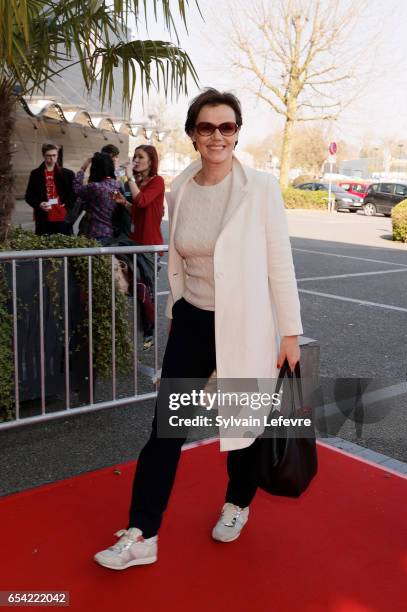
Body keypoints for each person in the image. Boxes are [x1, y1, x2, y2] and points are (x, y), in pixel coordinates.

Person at [94, 88, 303, 570]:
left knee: (242, 424)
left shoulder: (261, 188)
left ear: (236, 132)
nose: (217, 136)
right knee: (166, 430)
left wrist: (289, 332)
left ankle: (238, 503)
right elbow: (181, 261)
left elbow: (280, 264)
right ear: (192, 134)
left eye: (226, 127)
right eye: (206, 127)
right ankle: (143, 534)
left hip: (245, 323)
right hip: (193, 321)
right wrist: (177, 309)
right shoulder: (182, 186)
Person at [113, 145, 165, 349]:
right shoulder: (142, 183)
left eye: (140, 157)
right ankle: (143, 330)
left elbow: (142, 202)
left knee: (145, 291)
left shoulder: (157, 181)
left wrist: (129, 178)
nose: (135, 160)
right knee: (138, 288)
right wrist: (124, 204)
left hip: (149, 246)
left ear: (150, 161)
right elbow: (138, 210)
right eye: (134, 156)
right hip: (135, 242)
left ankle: (149, 332)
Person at [25, 143, 75, 235]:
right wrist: (39, 204)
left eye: (54, 155)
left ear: (57, 155)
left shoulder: (67, 174)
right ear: (43, 155)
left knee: (63, 246)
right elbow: (29, 196)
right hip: (43, 217)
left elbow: (74, 194)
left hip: (62, 217)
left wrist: (67, 204)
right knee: (44, 246)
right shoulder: (35, 174)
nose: (52, 158)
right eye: (48, 155)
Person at [73, 152, 121, 245]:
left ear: (95, 168)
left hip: (95, 234)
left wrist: (83, 168)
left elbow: (76, 189)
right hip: (110, 233)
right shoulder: (115, 185)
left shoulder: (95, 187)